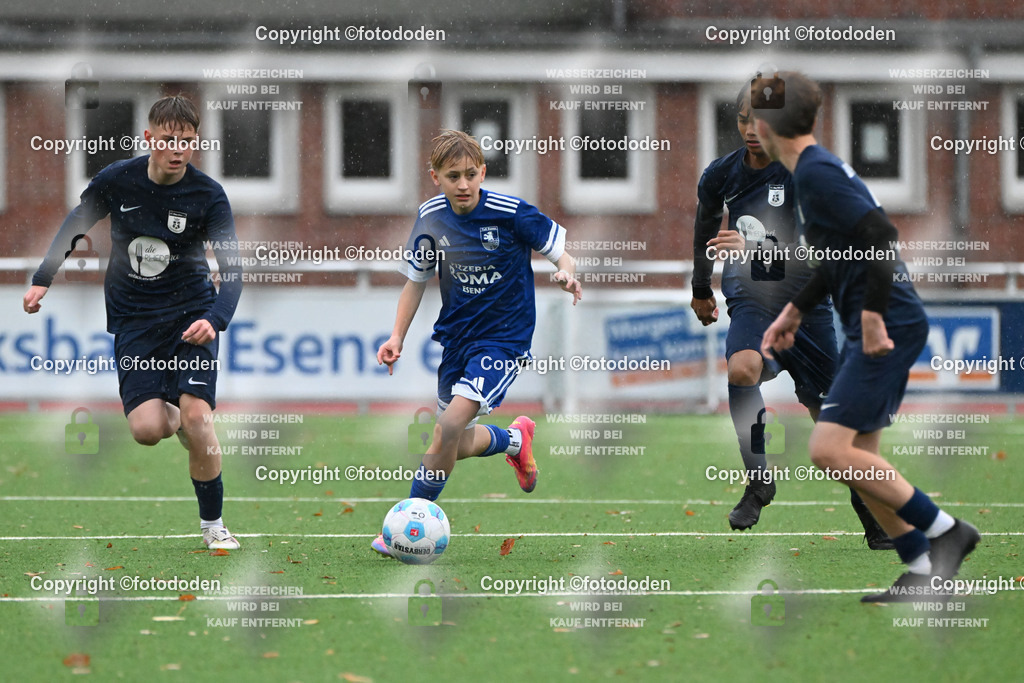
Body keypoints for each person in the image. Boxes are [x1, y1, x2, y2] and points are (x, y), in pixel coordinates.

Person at [754, 72, 980, 602]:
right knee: (862, 459)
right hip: (876, 320)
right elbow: (840, 255)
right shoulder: (814, 169)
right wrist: (794, 310)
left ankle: (948, 533)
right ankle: (923, 571)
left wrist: (874, 317)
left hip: (887, 323)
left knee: (830, 450)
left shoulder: (816, 174)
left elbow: (880, 235)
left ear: (764, 126)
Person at [23, 95, 243, 550]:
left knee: (199, 419)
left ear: (195, 142)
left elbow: (234, 270)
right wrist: (43, 278)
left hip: (190, 316)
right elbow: (75, 224)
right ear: (149, 138)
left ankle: (213, 527)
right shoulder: (117, 180)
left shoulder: (208, 195)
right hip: (134, 321)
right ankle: (179, 419)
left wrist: (216, 318)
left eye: (185, 140)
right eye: (167, 140)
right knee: (146, 431)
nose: (177, 148)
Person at [692, 83, 891, 547]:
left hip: (807, 306)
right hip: (751, 298)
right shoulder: (720, 175)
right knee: (743, 368)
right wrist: (700, 286)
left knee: (833, 427)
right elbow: (705, 225)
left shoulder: (809, 176)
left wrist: (758, 247)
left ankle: (872, 513)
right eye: (743, 118)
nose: (751, 129)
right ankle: (759, 480)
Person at [371, 129, 581, 556]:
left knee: (447, 427)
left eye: (471, 174)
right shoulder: (430, 217)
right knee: (452, 442)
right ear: (436, 177)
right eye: (453, 176)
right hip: (457, 340)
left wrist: (567, 273)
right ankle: (515, 441)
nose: (463, 184)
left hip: (504, 339)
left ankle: (408, 527)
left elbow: (562, 252)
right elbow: (415, 282)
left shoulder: (510, 212)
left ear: (483, 172)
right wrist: (397, 336)